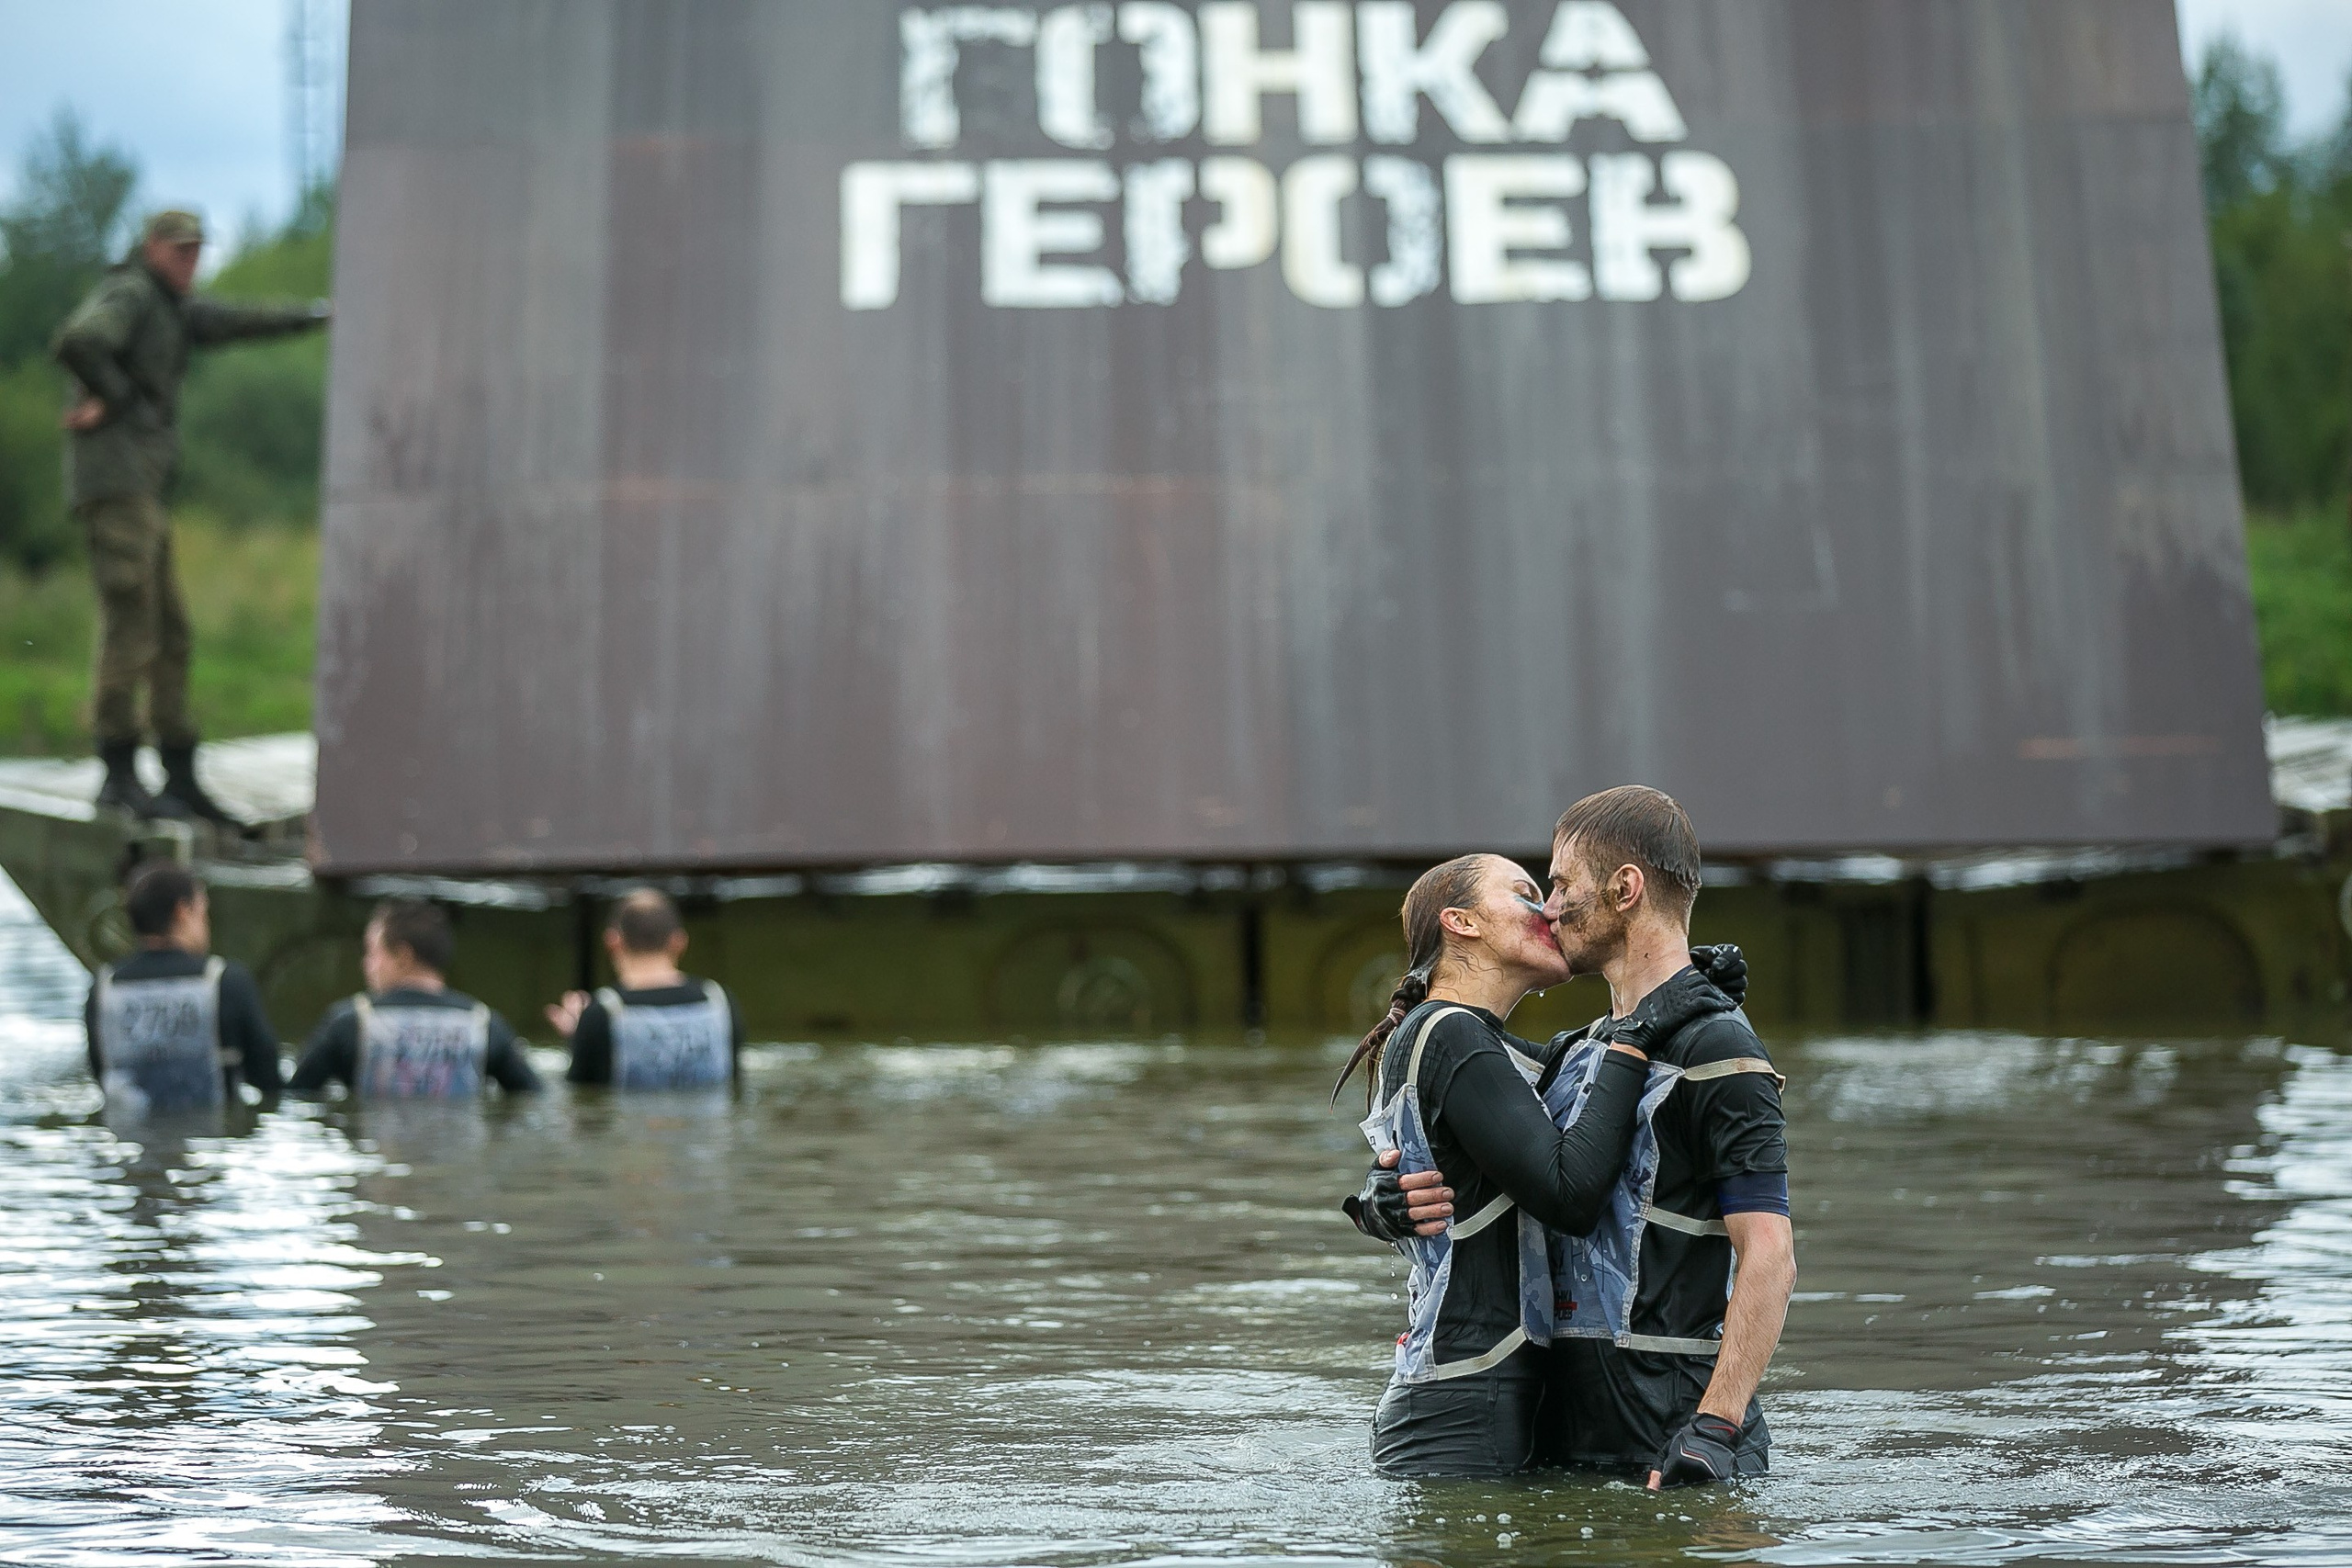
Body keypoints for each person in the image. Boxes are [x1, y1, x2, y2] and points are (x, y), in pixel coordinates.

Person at [1353, 787, 1794, 1489]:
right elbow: (1473, 1137)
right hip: (1554, 1445)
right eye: (1535, 890)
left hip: (1673, 1437)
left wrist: (1716, 1425)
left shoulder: (1719, 1043)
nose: (1550, 907)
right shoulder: (1578, 1052)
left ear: (1625, 889)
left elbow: (1770, 1253)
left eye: (1558, 885)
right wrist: (1382, 1200)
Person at [50, 209, 331, 825]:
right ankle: (119, 773)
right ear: (151, 248)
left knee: (172, 631)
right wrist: (121, 399)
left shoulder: (171, 308)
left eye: (197, 251)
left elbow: (236, 320)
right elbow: (80, 340)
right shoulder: (131, 294)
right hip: (116, 483)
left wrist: (316, 313)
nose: (190, 262)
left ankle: (178, 774)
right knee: (134, 624)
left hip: (140, 488)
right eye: (179, 251)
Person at [289, 898, 540, 1099]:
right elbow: (533, 1098)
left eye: (372, 952)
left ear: (402, 956)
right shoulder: (485, 1024)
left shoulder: (349, 1023)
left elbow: (294, 1097)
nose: (366, 964)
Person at [85, 860, 281, 1109]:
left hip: (129, 1140)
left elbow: (101, 1073)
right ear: (183, 912)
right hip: (214, 1139)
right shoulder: (226, 982)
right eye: (202, 912)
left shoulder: (103, 989)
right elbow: (269, 1082)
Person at [545, 887, 742, 1089]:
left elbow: (581, 1098)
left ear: (612, 941)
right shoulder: (720, 1002)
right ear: (679, 942)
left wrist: (580, 1039)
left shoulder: (601, 1013)